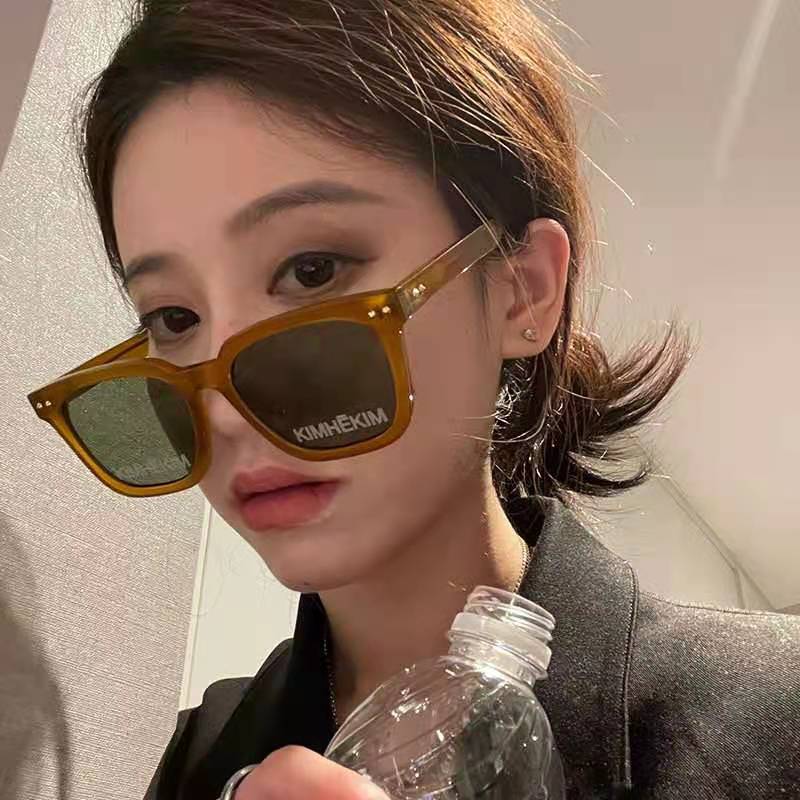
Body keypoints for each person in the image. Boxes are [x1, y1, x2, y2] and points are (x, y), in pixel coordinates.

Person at [28, 1, 798, 797]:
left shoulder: (777, 709)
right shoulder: (204, 753)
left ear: (523, 290)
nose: (222, 411)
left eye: (313, 270)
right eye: (173, 318)